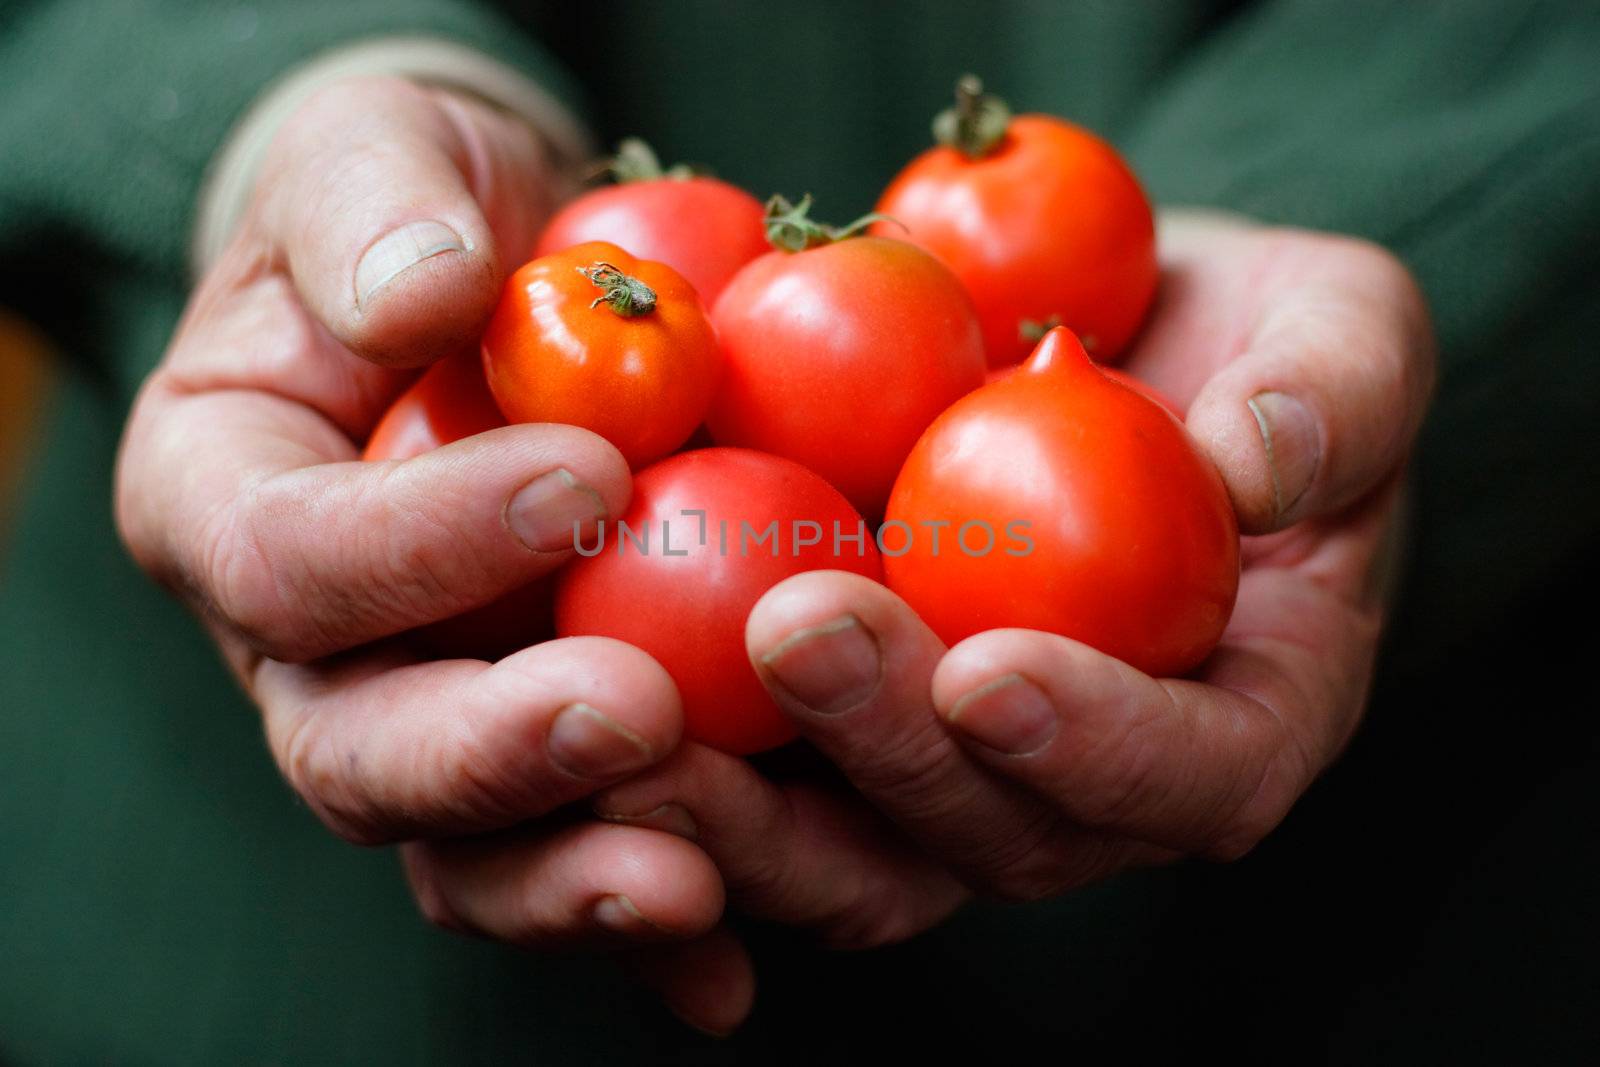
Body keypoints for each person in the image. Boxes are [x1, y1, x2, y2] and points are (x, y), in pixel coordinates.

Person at [2, 1, 1597, 1060]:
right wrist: (290, 94)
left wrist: (1387, 226)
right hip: (241, 945)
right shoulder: (668, 338)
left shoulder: (811, 343)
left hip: (1359, 940)